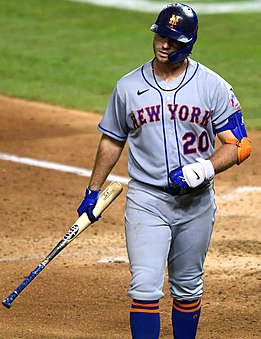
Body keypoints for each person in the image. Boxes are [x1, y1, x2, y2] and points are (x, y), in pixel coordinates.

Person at [77, 3, 251, 338]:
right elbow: (112, 140)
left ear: (189, 43)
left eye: (173, 39)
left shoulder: (212, 86)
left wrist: (203, 168)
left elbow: (239, 144)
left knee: (187, 287)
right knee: (144, 287)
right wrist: (92, 190)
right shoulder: (128, 87)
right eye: (160, 35)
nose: (164, 44)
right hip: (147, 200)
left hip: (196, 204)